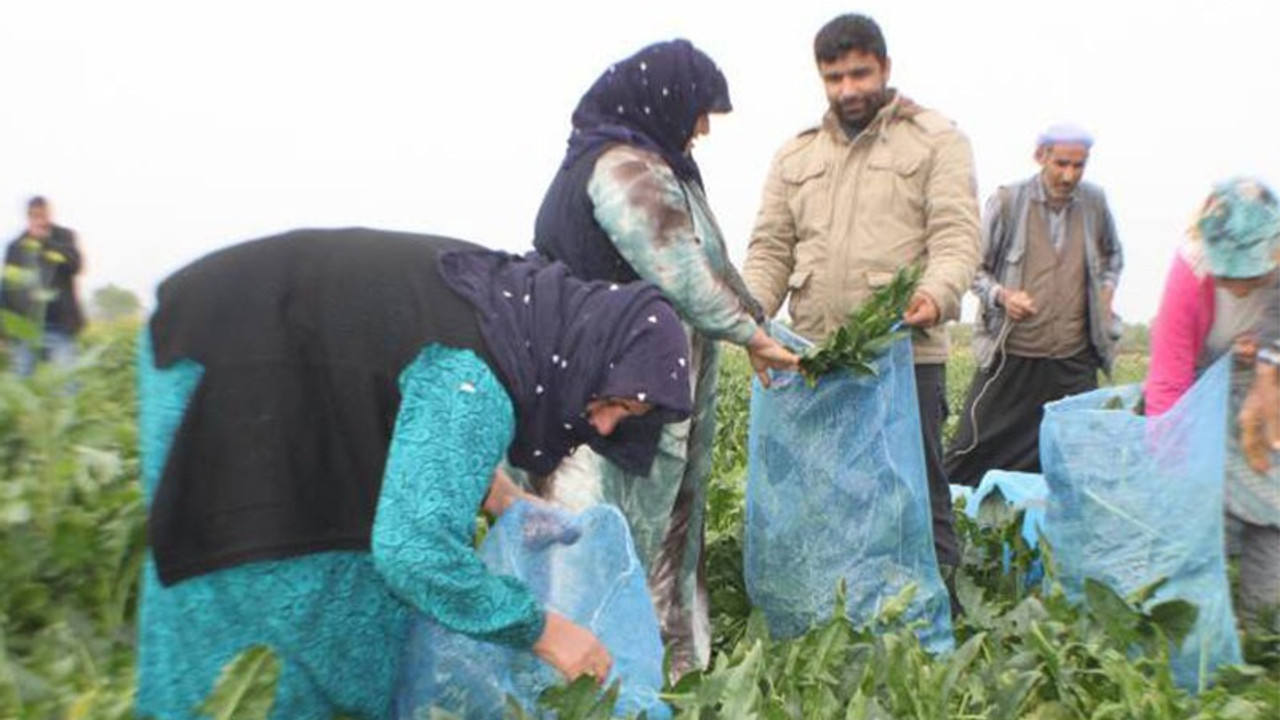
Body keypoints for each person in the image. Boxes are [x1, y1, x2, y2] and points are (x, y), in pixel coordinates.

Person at [135, 228, 696, 720]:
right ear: (591, 352)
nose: (601, 426)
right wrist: (547, 633)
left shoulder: (519, 315)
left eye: (625, 418)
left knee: (347, 624)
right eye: (613, 401)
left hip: (269, 342)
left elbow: (404, 374)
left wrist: (502, 496)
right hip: (225, 355)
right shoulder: (474, 381)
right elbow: (413, 553)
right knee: (247, 590)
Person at [531, 39, 799, 676]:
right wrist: (752, 335)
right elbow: (680, 270)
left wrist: (760, 327)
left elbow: (714, 265)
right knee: (593, 534)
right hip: (600, 391)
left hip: (655, 386)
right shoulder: (620, 167)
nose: (703, 127)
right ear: (665, 100)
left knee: (663, 534)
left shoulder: (668, 168)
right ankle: (578, 675)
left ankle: (661, 667)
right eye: (700, 110)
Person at [742, 14, 980, 582]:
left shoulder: (936, 140)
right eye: (833, 78)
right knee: (823, 492)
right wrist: (749, 322)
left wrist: (935, 292)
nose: (847, 89)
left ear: (885, 68)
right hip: (817, 356)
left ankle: (934, 618)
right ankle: (834, 605)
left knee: (914, 490)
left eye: (859, 74)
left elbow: (957, 235)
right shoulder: (795, 157)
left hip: (903, 356)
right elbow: (770, 248)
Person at [945, 124, 1124, 485]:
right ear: (1040, 156)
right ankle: (954, 527)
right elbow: (973, 269)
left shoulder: (1094, 203)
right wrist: (1003, 296)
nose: (1068, 175)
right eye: (1061, 163)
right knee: (971, 451)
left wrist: (1104, 296)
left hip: (1073, 358)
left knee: (1078, 459)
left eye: (1078, 166)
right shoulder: (1008, 202)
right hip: (1013, 355)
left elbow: (1112, 259)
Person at [1145, 177, 1280, 632]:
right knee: (1203, 512)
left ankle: (1263, 631)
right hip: (1206, 392)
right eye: (1231, 275)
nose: (1240, 288)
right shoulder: (1192, 267)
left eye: (1250, 275)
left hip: (1272, 393)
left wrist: (1266, 353)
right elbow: (1169, 374)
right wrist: (1171, 461)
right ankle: (1202, 627)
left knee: (1273, 510)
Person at [1, 196, 85, 375]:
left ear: (49, 214)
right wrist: (4, 331)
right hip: (27, 327)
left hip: (60, 325)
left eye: (44, 216)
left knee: (66, 384)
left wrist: (46, 243)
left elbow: (76, 266)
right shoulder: (15, 246)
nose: (40, 221)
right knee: (23, 385)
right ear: (28, 217)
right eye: (35, 216)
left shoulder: (65, 237)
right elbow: (7, 288)